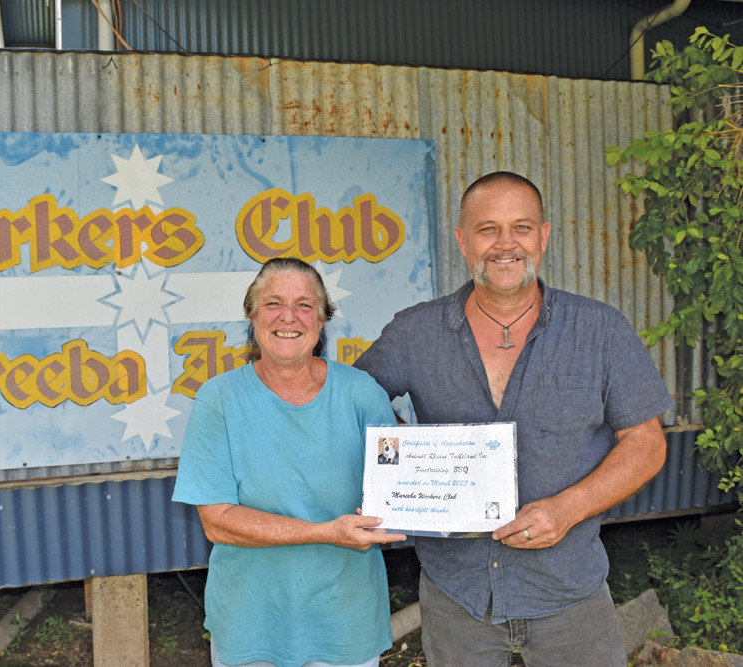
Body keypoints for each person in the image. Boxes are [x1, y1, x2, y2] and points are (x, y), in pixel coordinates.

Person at [354, 171, 674, 666]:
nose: (506, 244)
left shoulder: (600, 329)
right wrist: (404, 464)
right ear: (462, 240)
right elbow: (351, 406)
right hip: (457, 596)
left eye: (521, 228)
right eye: (488, 229)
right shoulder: (414, 332)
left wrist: (567, 509)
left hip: (569, 593)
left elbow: (646, 442)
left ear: (543, 236)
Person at [172, 257, 406, 667]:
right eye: (273, 303)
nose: (288, 317)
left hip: (344, 620)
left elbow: (402, 488)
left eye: (304, 305)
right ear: (252, 314)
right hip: (251, 623)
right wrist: (326, 532)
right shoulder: (218, 400)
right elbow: (218, 520)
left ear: (321, 319)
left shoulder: (362, 392)